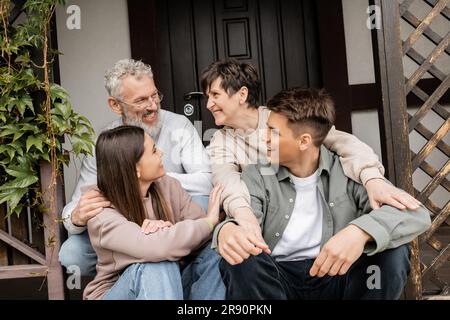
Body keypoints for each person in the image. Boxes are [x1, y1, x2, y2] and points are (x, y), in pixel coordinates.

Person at [215, 88, 431, 299]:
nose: (265, 139)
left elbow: (417, 215)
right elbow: (243, 223)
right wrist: (226, 231)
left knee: (393, 252)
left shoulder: (349, 171)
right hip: (277, 280)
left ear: (304, 141)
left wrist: (359, 232)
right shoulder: (258, 174)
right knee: (239, 258)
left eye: (274, 132)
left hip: (338, 274)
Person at [201, 59, 422, 264]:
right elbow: (227, 180)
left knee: (392, 249)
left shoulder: (282, 117)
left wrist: (373, 178)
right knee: (232, 257)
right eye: (207, 97)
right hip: (266, 222)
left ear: (242, 94)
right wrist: (244, 217)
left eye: (215, 95)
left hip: (321, 221)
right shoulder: (221, 141)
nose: (209, 104)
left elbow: (344, 143)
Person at [59, 59, 213, 276]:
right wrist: (76, 217)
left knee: (204, 205)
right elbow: (76, 206)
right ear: (115, 105)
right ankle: (139, 272)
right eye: (141, 100)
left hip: (172, 219)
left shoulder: (179, 125)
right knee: (72, 254)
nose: (153, 106)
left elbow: (206, 179)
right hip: (124, 230)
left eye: (154, 95)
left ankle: (179, 271)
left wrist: (153, 178)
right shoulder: (104, 143)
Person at [83, 125, 225, 300]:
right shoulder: (101, 210)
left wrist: (166, 231)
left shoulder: (168, 185)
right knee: (157, 264)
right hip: (118, 292)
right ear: (136, 168)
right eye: (154, 150)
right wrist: (209, 221)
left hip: (171, 285)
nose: (162, 153)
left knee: (216, 252)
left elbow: (201, 237)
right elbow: (157, 248)